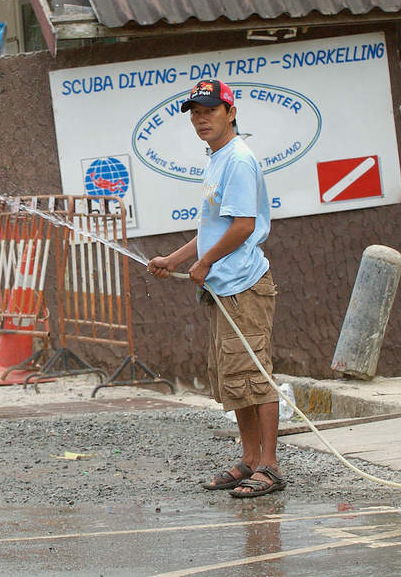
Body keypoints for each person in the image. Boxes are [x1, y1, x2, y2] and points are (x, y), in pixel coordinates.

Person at [147, 79, 284, 498]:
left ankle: (271, 466)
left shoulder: (238, 160)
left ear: (230, 112)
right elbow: (215, 226)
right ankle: (248, 459)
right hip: (224, 289)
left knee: (255, 376)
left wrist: (205, 263)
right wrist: (177, 259)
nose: (200, 119)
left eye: (209, 110)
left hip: (244, 286)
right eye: (194, 112)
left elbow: (243, 226)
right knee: (233, 376)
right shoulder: (217, 158)